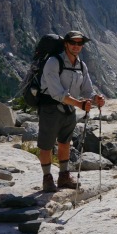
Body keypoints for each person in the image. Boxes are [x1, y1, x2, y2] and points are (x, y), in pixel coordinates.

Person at [37, 30, 105, 192]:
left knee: (65, 143)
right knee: (46, 145)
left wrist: (96, 99)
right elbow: (56, 93)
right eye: (73, 43)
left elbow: (87, 90)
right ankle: (47, 178)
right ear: (66, 44)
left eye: (79, 43)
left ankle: (64, 176)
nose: (76, 46)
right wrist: (79, 104)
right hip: (50, 108)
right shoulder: (54, 62)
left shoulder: (81, 66)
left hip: (69, 109)